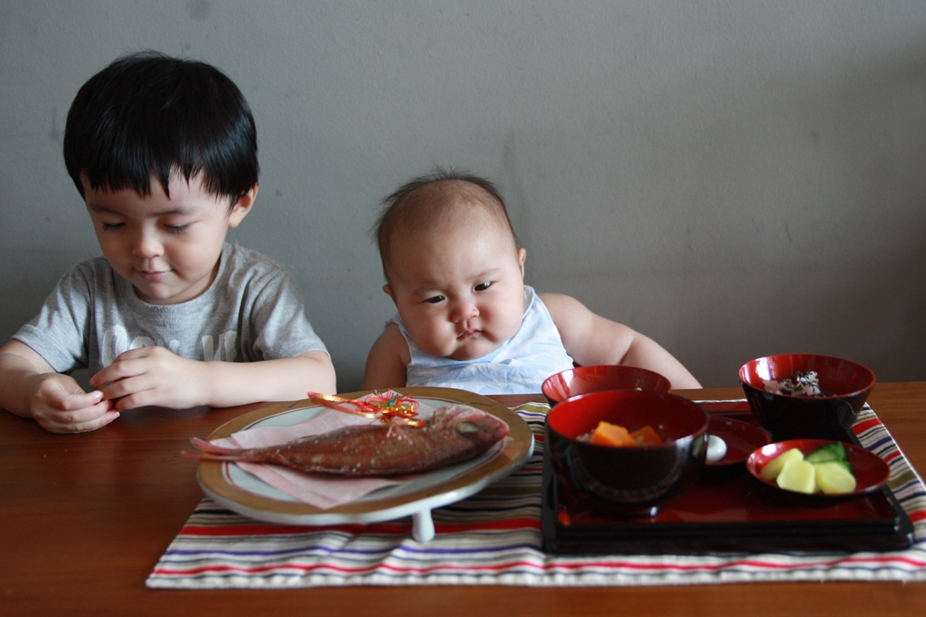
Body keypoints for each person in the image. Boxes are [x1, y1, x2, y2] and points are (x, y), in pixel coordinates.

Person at [0, 52, 335, 434]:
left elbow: (319, 379)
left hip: (231, 474)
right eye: (113, 223)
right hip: (121, 480)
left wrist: (200, 381)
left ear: (239, 203)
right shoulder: (89, 289)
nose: (144, 248)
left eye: (175, 225)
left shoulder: (256, 286)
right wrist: (36, 390)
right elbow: (10, 366)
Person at [361, 170, 701, 395]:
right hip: (450, 488)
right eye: (435, 298)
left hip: (559, 471)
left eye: (482, 286)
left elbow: (628, 351)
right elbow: (370, 421)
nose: (465, 312)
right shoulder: (396, 347)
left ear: (519, 268)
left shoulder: (551, 316)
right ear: (397, 301)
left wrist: (699, 403)